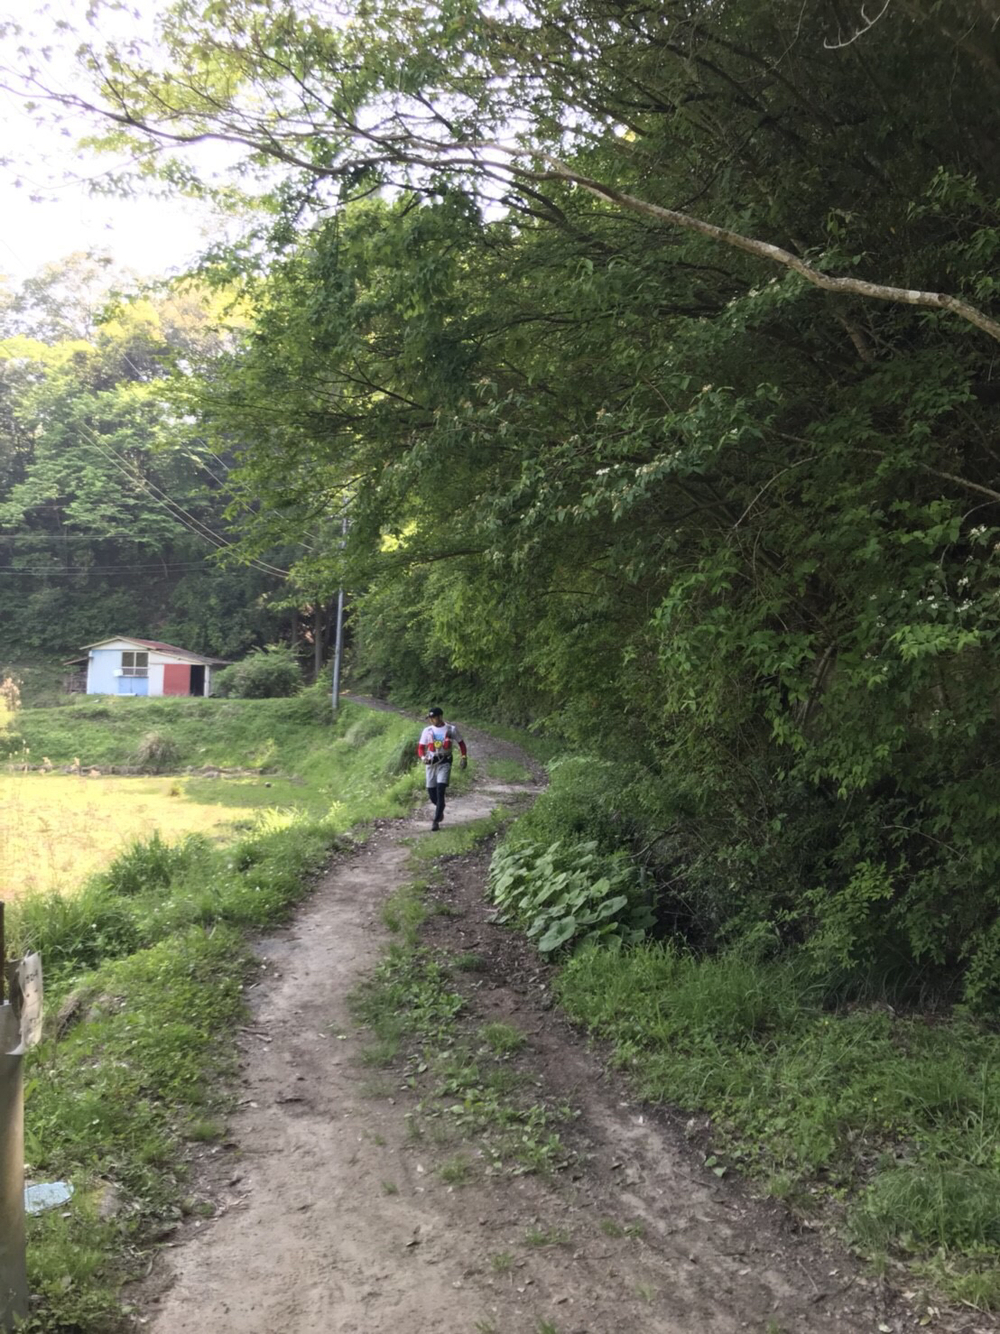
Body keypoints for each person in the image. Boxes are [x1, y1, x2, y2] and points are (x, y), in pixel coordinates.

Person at [417, 706, 468, 831]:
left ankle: (436, 820)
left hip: (445, 762)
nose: (431, 720)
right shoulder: (427, 730)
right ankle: (441, 806)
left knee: (440, 789)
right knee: (432, 793)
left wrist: (464, 757)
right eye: (430, 718)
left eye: (433, 718)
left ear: (440, 717)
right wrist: (423, 757)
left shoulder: (451, 729)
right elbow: (420, 748)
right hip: (431, 763)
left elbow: (461, 743)